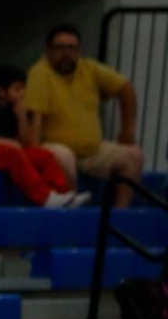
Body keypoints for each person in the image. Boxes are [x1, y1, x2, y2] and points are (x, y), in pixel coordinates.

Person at [26, 24, 144, 208]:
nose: (65, 53)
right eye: (59, 48)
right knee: (64, 156)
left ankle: (121, 214)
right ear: (48, 51)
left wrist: (127, 131)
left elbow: (126, 89)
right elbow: (35, 117)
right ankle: (72, 207)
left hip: (92, 152)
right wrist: (34, 152)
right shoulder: (40, 73)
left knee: (133, 155)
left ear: (79, 51)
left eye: (71, 48)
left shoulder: (88, 68)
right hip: (54, 148)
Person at [0, 66, 88, 209]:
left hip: (7, 153)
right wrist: (8, 143)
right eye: (17, 89)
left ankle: (63, 195)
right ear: (1, 91)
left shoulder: (15, 108)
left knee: (44, 156)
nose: (22, 94)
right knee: (12, 153)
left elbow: (27, 144)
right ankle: (45, 198)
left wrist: (21, 117)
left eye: (24, 89)